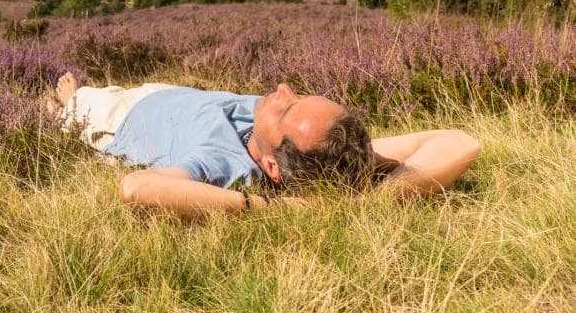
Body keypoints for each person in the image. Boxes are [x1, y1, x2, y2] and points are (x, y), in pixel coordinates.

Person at [46, 72, 481, 218]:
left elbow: (135, 188)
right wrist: (369, 197)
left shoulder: (224, 163)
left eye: (286, 110)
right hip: (177, 94)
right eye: (298, 96)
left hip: (123, 116)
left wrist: (266, 209)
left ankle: (70, 102)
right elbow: (458, 141)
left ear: (273, 166)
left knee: (68, 100)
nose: (282, 88)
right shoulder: (331, 151)